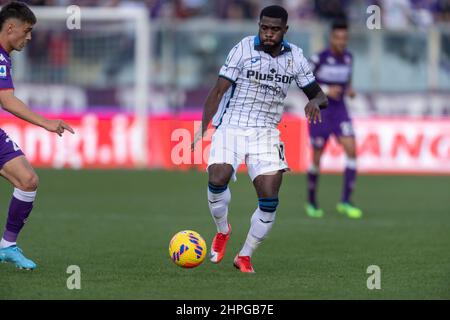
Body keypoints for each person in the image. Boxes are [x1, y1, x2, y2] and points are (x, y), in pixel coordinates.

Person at [192, 5, 328, 273]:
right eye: (264, 28)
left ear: (285, 31)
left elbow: (319, 94)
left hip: (266, 131)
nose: (268, 34)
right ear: (259, 26)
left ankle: (244, 255)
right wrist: (204, 127)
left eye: (274, 30)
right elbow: (218, 90)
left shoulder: (296, 58)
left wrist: (315, 102)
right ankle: (223, 230)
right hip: (232, 124)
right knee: (217, 177)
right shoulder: (243, 48)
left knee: (269, 198)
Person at [0, 1, 74, 270]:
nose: (29, 37)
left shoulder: (4, 56)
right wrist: (46, 123)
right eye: (27, 30)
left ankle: (7, 246)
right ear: (11, 28)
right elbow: (7, 101)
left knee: (28, 180)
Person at [305, 19, 362, 219]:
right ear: (331, 38)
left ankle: (345, 201)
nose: (341, 42)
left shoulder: (348, 58)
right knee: (317, 157)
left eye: (344, 38)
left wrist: (349, 90)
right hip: (321, 111)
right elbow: (304, 81)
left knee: (352, 150)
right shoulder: (318, 58)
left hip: (340, 111)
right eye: (338, 38)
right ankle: (311, 201)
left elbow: (347, 82)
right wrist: (328, 90)